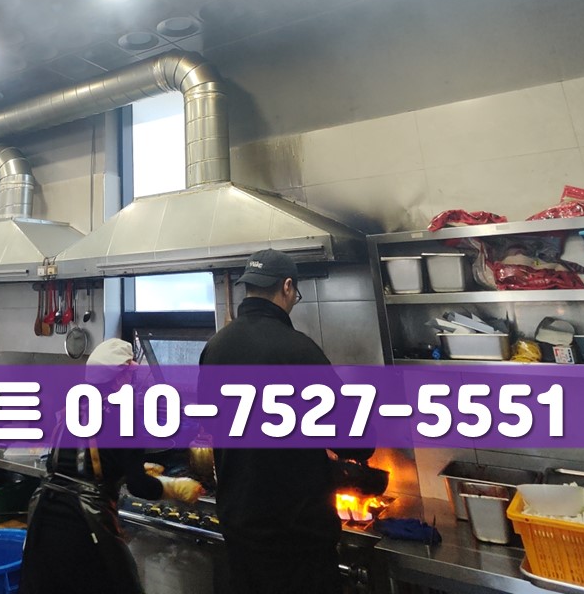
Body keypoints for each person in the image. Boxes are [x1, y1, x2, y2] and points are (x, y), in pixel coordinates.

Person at [199, 249, 375, 594]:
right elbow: (355, 443)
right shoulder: (299, 351)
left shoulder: (215, 347)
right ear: (287, 286)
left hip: (239, 528)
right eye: (295, 293)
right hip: (296, 538)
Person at [20, 338, 205, 594]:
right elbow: (138, 487)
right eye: (131, 372)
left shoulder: (73, 406)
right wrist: (173, 486)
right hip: (83, 522)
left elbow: (78, 463)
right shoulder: (123, 414)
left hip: (43, 516)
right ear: (123, 374)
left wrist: (129, 467)